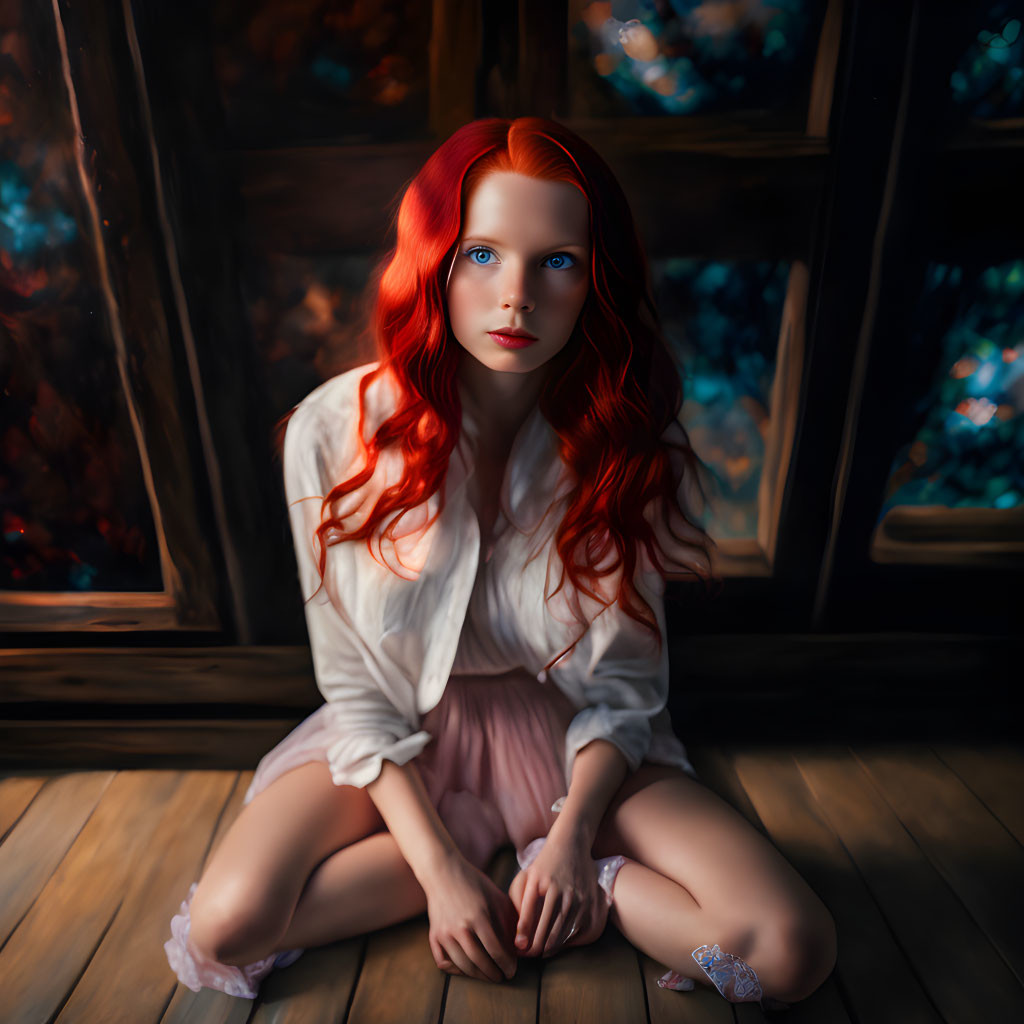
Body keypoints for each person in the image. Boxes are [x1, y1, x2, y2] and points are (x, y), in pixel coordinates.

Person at [164, 117, 837, 1008]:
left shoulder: (626, 439)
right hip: (402, 738)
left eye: (557, 260)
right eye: (482, 254)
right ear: (434, 260)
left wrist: (573, 845)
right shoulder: (335, 428)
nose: (515, 295)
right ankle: (466, 854)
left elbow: (627, 687)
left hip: (573, 743)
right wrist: (438, 866)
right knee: (227, 925)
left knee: (785, 956)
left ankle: (571, 874)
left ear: (595, 279)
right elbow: (355, 684)